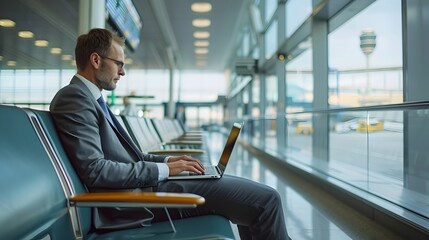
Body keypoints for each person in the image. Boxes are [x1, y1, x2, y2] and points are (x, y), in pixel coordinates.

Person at [50, 28, 291, 240]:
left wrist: (169, 162)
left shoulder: (92, 98)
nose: (122, 72)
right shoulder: (74, 98)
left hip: (146, 189)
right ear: (95, 60)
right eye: (119, 63)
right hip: (133, 203)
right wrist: (164, 171)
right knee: (266, 201)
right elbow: (96, 170)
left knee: (252, 202)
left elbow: (128, 157)